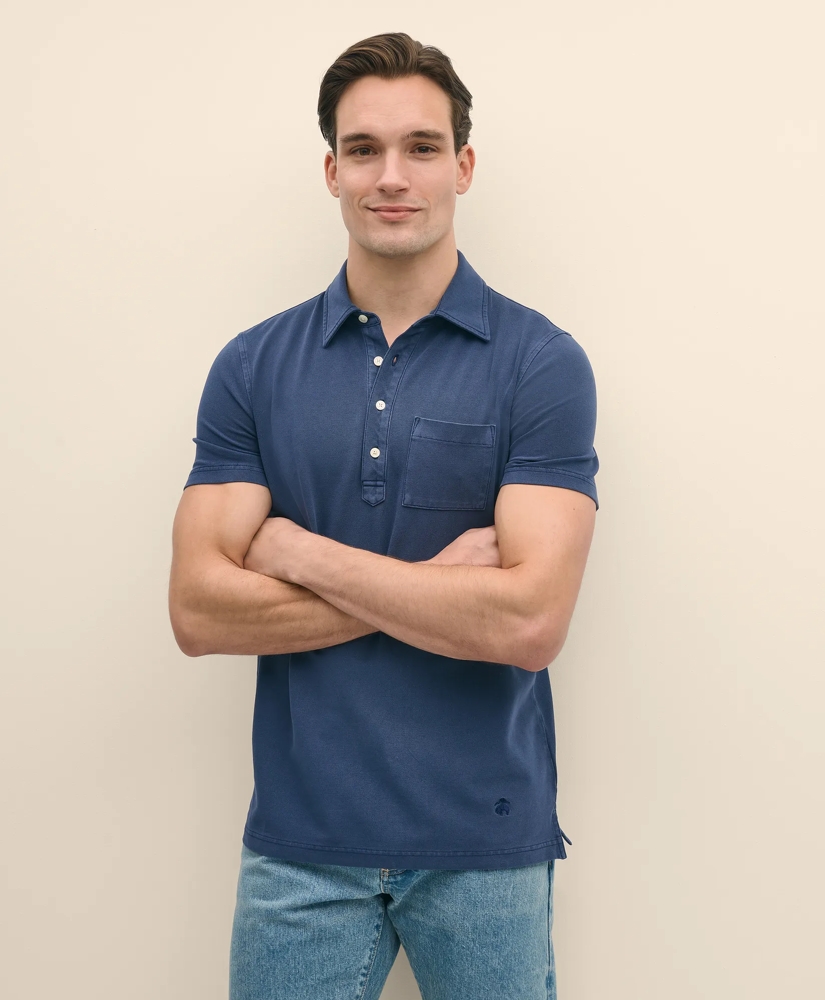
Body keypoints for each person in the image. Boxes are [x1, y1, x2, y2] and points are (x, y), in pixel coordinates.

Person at [169, 30, 599, 1000]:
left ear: (463, 166)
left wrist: (297, 553)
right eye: (363, 149)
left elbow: (530, 622)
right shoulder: (252, 365)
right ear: (331, 171)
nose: (391, 175)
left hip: (484, 842)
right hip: (300, 848)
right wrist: (440, 588)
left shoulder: (540, 364)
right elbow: (197, 610)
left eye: (421, 147)